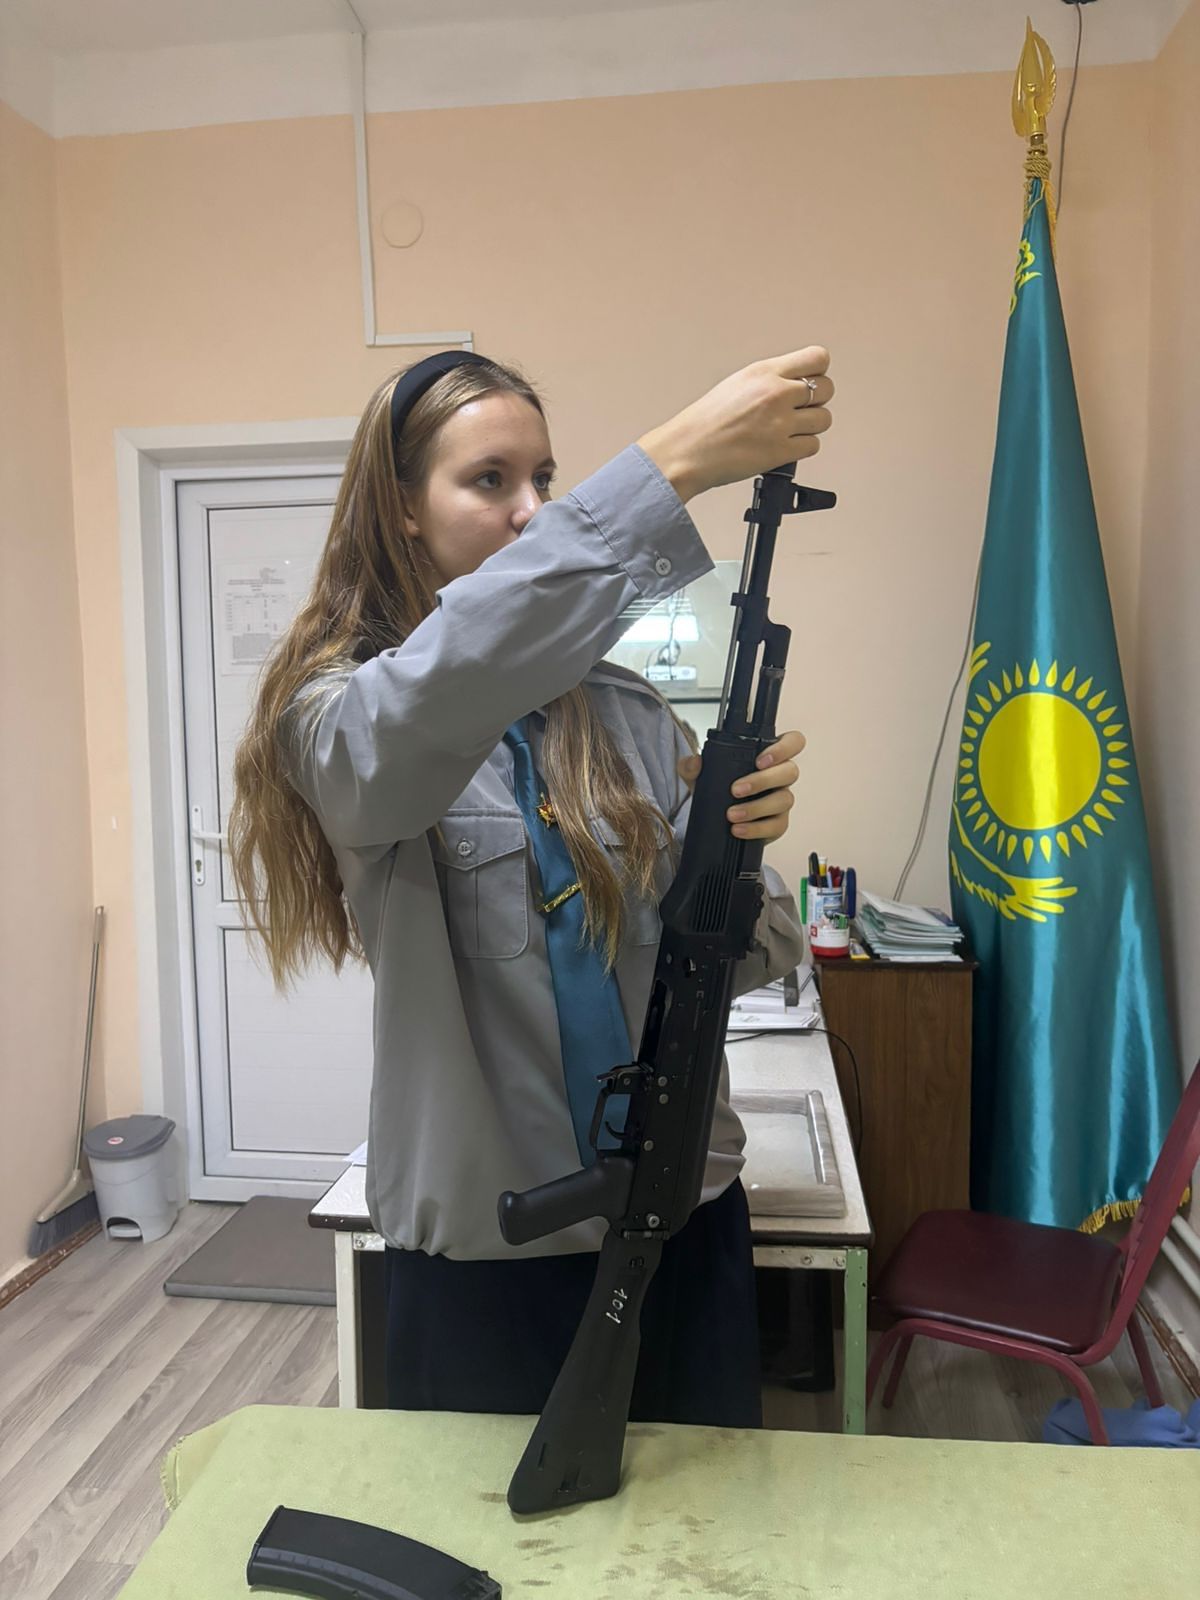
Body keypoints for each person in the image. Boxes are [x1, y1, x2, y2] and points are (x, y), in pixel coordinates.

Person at [229, 346, 834, 1426]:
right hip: (491, 1256)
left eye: (545, 478)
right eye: (490, 479)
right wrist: (670, 466)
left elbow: (751, 954)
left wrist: (741, 846)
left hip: (683, 1217)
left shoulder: (627, 717)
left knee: (703, 1525)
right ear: (401, 508)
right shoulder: (339, 721)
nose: (531, 509)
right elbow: (438, 688)